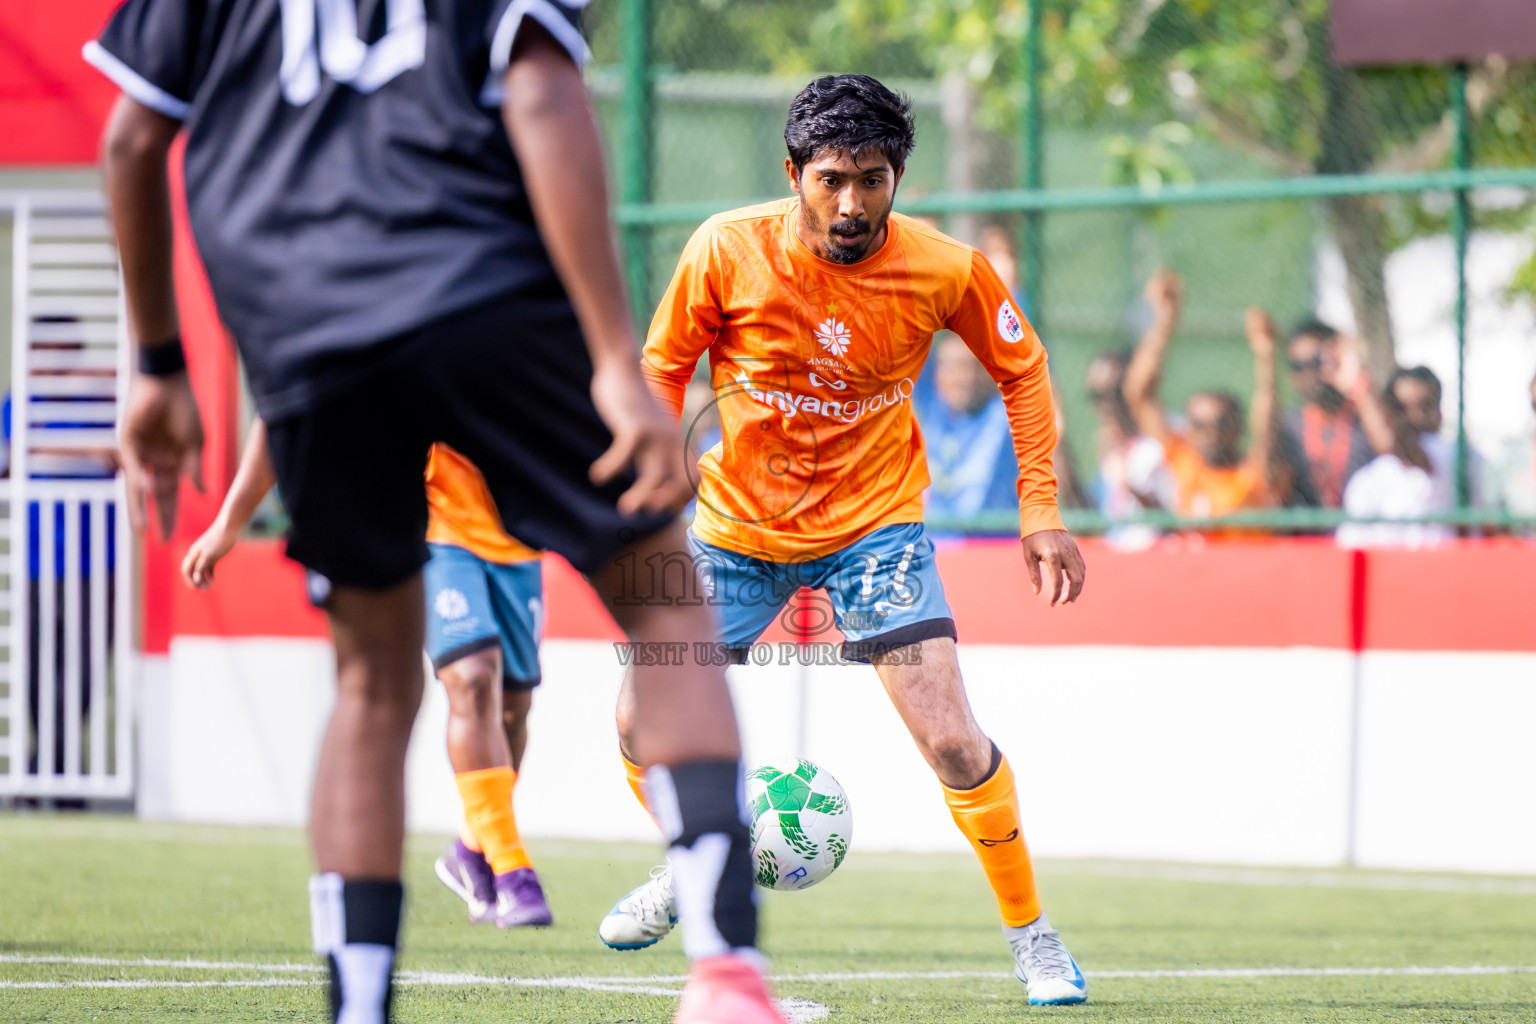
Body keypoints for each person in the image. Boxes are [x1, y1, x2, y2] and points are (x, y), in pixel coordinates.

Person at [88, 2, 785, 1021]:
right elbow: (541, 93)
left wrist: (158, 363)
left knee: (371, 681)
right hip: (476, 283)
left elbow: (131, 137)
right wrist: (610, 354)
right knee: (664, 598)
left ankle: (359, 1003)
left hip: (302, 320)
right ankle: (725, 975)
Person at [599, 74, 1091, 1007]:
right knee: (636, 722)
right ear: (794, 173)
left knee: (953, 742)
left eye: (873, 179)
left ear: (898, 176)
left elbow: (1023, 372)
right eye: (832, 179)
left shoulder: (946, 268)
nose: (853, 203)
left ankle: (1034, 936)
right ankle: (693, 863)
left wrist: (1040, 510)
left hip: (876, 531)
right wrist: (649, 492)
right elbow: (661, 370)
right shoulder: (725, 249)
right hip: (734, 530)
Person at [183, 425, 554, 928]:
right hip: (435, 531)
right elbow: (284, 407)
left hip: (519, 538)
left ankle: (470, 850)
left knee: (512, 712)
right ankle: (513, 871)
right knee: (472, 679)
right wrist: (230, 522)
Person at [1122, 271, 1280, 522]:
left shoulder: (1251, 474)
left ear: (1239, 429)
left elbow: (1267, 429)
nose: (1211, 434)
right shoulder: (1184, 460)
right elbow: (1140, 394)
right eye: (1198, 425)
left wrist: (1266, 357)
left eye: (1222, 424)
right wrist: (1166, 319)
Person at [916, 334, 1022, 523]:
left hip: (991, 536)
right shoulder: (932, 407)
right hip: (938, 535)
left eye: (967, 367)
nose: (959, 378)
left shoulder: (1003, 415)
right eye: (949, 367)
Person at [1276, 320, 1377, 509]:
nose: (1309, 373)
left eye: (1317, 363)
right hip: (1309, 525)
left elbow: (1388, 444)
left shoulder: (1364, 417)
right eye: (1298, 366)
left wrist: (1354, 376)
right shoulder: (1289, 426)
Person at [1084, 348, 1173, 541]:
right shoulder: (1109, 446)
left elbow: (1173, 518)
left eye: (1114, 393)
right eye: (1097, 396)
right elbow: (1094, 518)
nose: (1106, 405)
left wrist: (1130, 485)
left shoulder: (1160, 440)